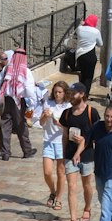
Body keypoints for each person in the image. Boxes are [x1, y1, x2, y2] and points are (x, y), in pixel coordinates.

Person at [58, 83, 100, 221]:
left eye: (73, 94)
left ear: (82, 94)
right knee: (72, 186)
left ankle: (87, 208)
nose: (70, 97)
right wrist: (63, 156)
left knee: (87, 184)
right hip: (70, 154)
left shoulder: (91, 112)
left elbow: (96, 136)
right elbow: (64, 136)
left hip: (87, 154)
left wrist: (83, 141)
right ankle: (73, 219)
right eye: (69, 94)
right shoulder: (66, 114)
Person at [0, 48, 36, 161]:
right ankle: (27, 151)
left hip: (6, 100)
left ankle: (5, 153)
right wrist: (31, 104)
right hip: (18, 101)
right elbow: (30, 91)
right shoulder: (26, 71)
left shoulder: (6, 68)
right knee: (21, 126)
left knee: (5, 126)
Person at [39, 79, 71, 210]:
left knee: (60, 172)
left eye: (60, 92)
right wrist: (45, 117)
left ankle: (58, 198)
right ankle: (52, 191)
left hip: (61, 141)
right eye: (56, 92)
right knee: (47, 172)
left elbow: (69, 127)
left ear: (64, 93)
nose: (57, 94)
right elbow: (41, 123)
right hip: (48, 140)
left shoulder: (68, 106)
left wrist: (58, 123)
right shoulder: (48, 103)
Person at [71, 12, 102, 95]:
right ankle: (85, 95)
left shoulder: (80, 29)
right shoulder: (96, 31)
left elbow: (77, 30)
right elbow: (100, 44)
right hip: (90, 56)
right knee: (88, 77)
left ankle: (79, 93)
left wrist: (82, 24)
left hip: (80, 55)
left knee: (82, 75)